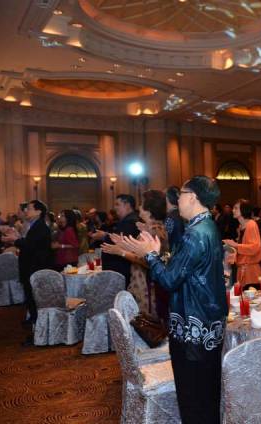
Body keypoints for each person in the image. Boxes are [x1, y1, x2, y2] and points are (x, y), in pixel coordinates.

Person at [119, 176, 227, 424]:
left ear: (192, 197)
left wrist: (151, 256)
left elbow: (169, 281)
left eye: (181, 194)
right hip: (204, 321)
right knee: (205, 393)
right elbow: (183, 270)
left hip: (193, 324)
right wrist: (153, 255)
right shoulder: (206, 226)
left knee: (194, 396)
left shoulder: (195, 234)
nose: (177, 200)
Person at [103, 190, 169, 321]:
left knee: (145, 321)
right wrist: (123, 244)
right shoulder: (157, 227)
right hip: (148, 281)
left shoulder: (152, 231)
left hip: (144, 283)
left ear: (148, 210)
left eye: (142, 204)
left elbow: (147, 260)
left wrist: (120, 252)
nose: (138, 207)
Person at [1, 200, 54, 344]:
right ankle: (36, 331)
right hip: (30, 269)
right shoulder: (35, 226)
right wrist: (17, 239)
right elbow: (30, 244)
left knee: (35, 303)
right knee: (32, 302)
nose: (26, 212)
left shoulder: (41, 227)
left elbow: (30, 246)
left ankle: (38, 334)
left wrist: (16, 240)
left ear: (38, 212)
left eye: (29, 209)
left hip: (34, 270)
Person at [91, 194, 140, 286]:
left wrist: (104, 237)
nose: (115, 208)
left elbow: (122, 241)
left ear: (127, 205)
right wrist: (105, 235)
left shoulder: (129, 221)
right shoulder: (127, 220)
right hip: (119, 267)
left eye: (117, 204)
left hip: (121, 268)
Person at [223, 199, 261, 287]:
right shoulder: (241, 227)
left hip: (251, 273)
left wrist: (235, 245)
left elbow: (255, 248)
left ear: (244, 210)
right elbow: (243, 250)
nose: (233, 210)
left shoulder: (251, 225)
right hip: (242, 270)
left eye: (236, 208)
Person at [165, 186, 185, 251]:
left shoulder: (170, 218)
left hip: (175, 253)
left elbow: (166, 241)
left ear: (167, 199)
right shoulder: (183, 213)